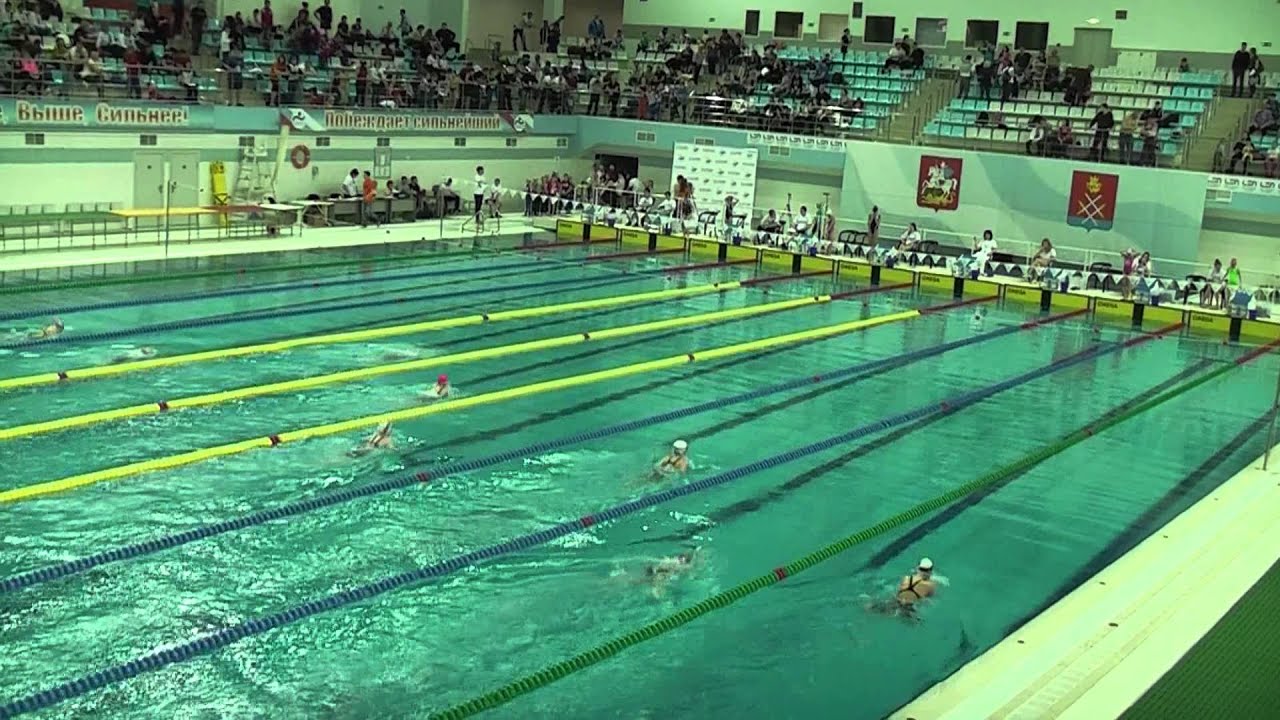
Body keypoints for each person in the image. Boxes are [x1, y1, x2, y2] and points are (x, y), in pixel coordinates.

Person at [865, 557, 938, 622]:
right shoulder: (931, 585)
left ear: (918, 568)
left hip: (896, 601)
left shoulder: (906, 578)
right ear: (930, 571)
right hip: (909, 607)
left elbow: (897, 591)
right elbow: (928, 599)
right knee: (916, 622)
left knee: (871, 607)